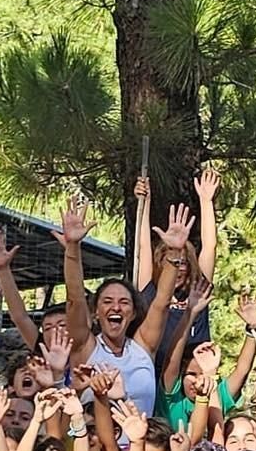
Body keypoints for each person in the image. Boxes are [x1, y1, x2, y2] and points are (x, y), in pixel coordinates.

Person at [61, 199, 191, 415]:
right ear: (96, 312)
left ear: (133, 314)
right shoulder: (84, 346)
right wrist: (73, 247)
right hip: (93, 444)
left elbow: (161, 303)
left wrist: (175, 253)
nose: (116, 308)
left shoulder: (143, 347)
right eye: (107, 301)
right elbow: (75, 298)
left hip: (141, 444)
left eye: (124, 302)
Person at [133, 168, 222, 376]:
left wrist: (206, 201)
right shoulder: (150, 292)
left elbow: (210, 246)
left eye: (184, 263)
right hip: (153, 377)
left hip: (190, 381)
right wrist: (144, 201)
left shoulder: (198, 292)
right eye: (174, 262)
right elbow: (144, 246)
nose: (179, 268)